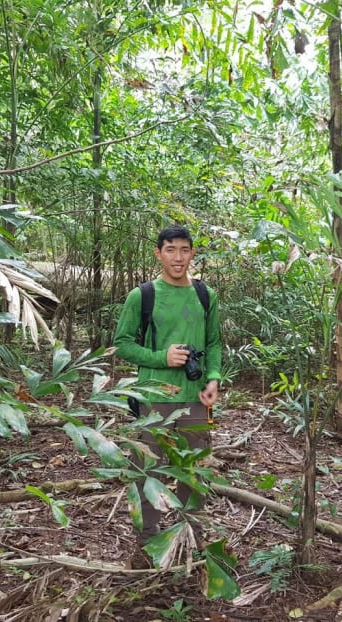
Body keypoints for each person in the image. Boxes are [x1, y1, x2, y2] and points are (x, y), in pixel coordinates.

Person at [113, 224, 222, 568]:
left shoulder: (206, 295)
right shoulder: (142, 295)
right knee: (149, 472)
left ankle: (190, 536)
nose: (178, 257)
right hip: (154, 397)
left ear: (193, 253)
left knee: (196, 471)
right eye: (170, 250)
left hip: (195, 399)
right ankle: (146, 547)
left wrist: (214, 378)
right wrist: (162, 357)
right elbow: (123, 344)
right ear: (158, 253)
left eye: (185, 250)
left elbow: (215, 343)